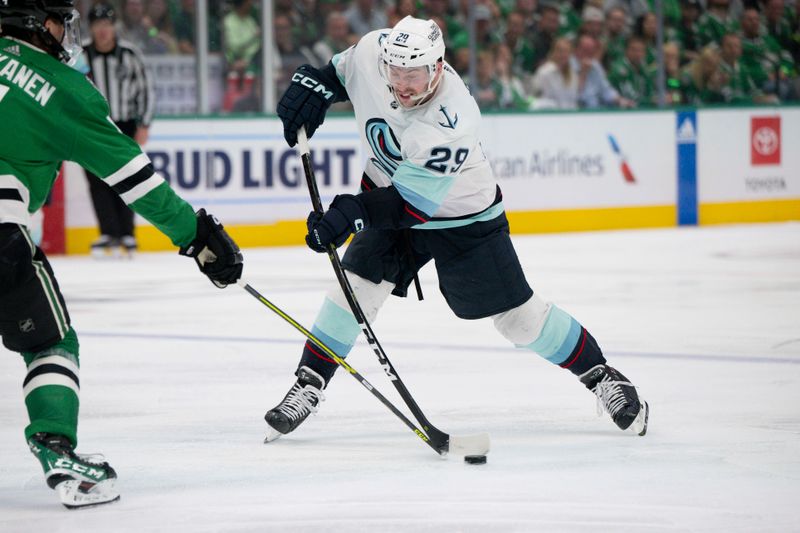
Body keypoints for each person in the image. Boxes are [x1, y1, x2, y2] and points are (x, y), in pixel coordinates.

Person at [265, 16, 649, 444]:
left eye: (414, 75)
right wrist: (314, 86)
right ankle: (309, 381)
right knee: (354, 287)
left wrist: (348, 214)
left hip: (464, 218)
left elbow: (410, 205)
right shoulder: (375, 50)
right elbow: (339, 73)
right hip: (390, 193)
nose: (402, 84)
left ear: (438, 66)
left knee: (519, 320)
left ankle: (601, 375)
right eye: (396, 73)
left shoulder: (453, 117)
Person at [0, 0, 243, 508]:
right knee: (50, 343)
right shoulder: (61, 89)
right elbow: (136, 182)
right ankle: (57, 450)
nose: (66, 32)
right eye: (57, 20)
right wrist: (197, 236)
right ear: (32, 22)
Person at [82, 3, 153, 257]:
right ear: (91, 27)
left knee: (129, 176)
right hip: (92, 125)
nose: (103, 30)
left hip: (124, 123)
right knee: (97, 180)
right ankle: (109, 232)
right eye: (98, 25)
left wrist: (144, 123)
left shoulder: (130, 55)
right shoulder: (81, 57)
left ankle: (127, 233)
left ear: (114, 27)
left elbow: (146, 90)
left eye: (107, 25)